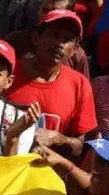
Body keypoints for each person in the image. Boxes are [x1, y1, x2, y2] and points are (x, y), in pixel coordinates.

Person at [6, 9, 97, 158]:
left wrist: (58, 138)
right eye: (54, 35)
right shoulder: (9, 73)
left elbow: (80, 147)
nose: (59, 43)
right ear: (36, 38)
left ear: (74, 50)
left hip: (50, 176)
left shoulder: (79, 84)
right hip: (7, 168)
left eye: (67, 39)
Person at [4, 0, 90, 78]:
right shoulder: (15, 41)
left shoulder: (77, 55)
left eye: (55, 12)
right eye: (45, 10)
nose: (48, 16)